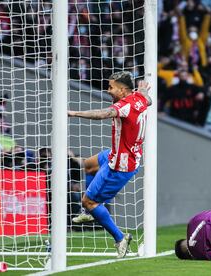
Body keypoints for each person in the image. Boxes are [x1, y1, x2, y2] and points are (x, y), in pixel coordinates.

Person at [68, 71, 152, 258]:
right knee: (88, 165)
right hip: (117, 154)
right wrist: (144, 91)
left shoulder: (124, 106)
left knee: (88, 201)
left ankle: (120, 238)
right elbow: (149, 100)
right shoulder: (139, 97)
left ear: (122, 91)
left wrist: (75, 113)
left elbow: (104, 113)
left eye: (111, 87)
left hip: (120, 164)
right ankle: (91, 210)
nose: (108, 90)